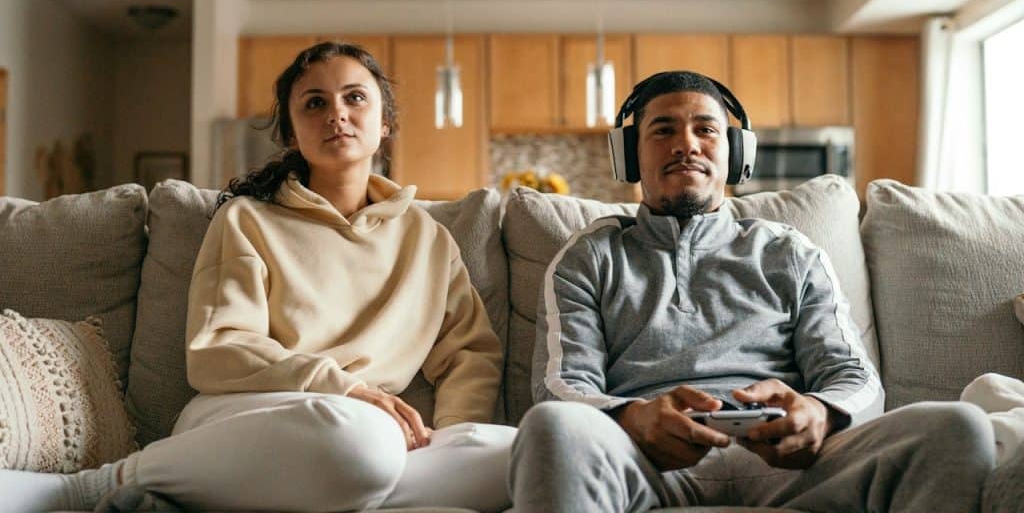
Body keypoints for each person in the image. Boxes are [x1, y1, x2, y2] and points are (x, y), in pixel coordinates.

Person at [2, 41, 515, 513]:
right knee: (365, 441)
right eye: (315, 102)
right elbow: (218, 350)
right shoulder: (248, 220)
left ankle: (345, 488)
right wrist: (346, 390)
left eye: (355, 97)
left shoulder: (427, 238)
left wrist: (445, 438)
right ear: (292, 133)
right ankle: (95, 486)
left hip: (368, 440)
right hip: (248, 416)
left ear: (384, 123)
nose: (337, 112)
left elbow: (470, 353)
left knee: (523, 452)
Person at [509, 71, 998, 512]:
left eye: (706, 129)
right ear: (629, 153)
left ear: (735, 153)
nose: (686, 145)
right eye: (663, 130)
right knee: (552, 426)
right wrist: (633, 419)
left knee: (958, 427)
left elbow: (853, 373)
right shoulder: (590, 255)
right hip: (644, 459)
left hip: (794, 466)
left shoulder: (789, 251)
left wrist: (820, 413)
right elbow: (561, 384)